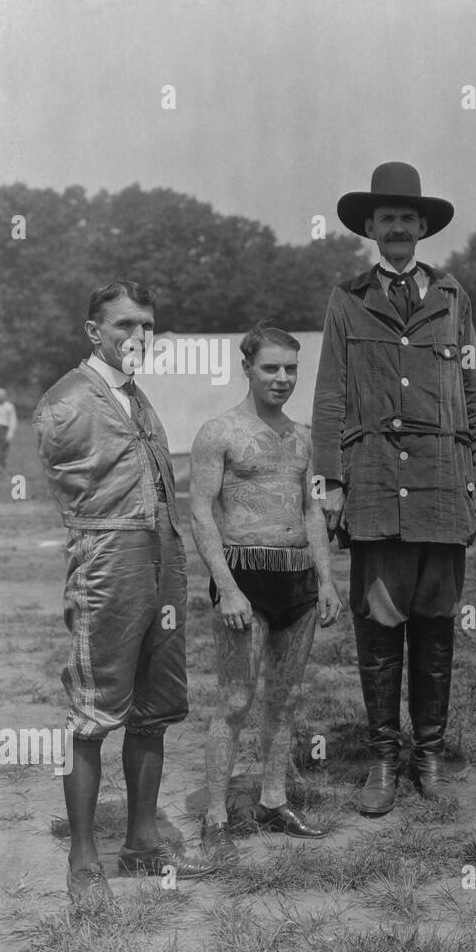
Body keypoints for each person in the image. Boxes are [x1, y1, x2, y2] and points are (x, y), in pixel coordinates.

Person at [312, 162, 476, 814]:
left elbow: (475, 388)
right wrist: (330, 482)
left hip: (442, 485)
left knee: (436, 623)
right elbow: (330, 392)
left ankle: (429, 753)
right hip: (373, 484)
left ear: (422, 227)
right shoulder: (347, 298)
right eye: (384, 218)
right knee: (379, 624)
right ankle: (384, 758)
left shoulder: (453, 297)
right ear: (370, 227)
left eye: (406, 218)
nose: (396, 228)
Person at [34, 281, 214, 905]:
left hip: (162, 557)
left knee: (155, 706)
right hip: (109, 558)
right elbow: (69, 479)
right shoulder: (68, 398)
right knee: (94, 708)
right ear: (94, 331)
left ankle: (141, 842)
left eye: (148, 327)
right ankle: (84, 860)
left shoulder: (139, 398)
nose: (139, 337)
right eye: (125, 325)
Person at [191, 325, 344, 862]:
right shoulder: (219, 431)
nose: (282, 379)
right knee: (235, 700)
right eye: (271, 368)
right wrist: (227, 588)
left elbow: (311, 512)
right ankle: (215, 816)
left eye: (291, 369)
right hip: (244, 576)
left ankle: (273, 800)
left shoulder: (304, 438)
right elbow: (201, 512)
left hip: (298, 575)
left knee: (287, 697)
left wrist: (326, 580)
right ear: (248, 369)